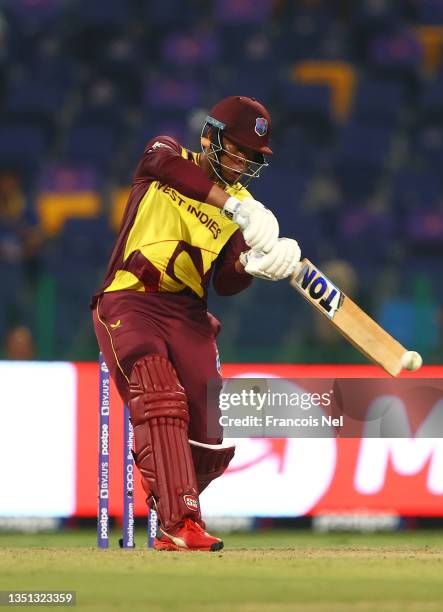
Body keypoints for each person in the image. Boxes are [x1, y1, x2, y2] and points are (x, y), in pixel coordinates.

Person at [91, 96, 301, 551]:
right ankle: (180, 521)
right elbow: (169, 170)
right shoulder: (165, 154)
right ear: (211, 137)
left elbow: (225, 282)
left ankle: (168, 500)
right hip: (132, 300)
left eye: (252, 158)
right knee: (160, 396)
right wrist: (235, 208)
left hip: (187, 314)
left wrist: (251, 265)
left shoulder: (246, 209)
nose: (243, 163)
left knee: (207, 435)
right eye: (237, 150)